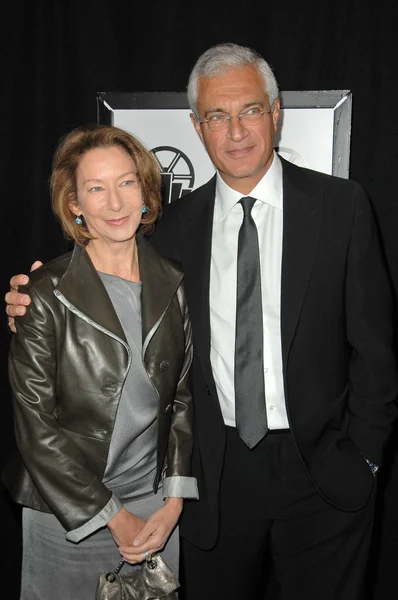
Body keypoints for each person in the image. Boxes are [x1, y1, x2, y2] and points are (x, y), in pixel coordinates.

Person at [6, 43, 398, 600]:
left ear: (276, 111)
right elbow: (95, 281)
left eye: (250, 111)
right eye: (217, 115)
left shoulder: (343, 207)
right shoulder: (168, 233)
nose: (235, 130)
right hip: (211, 481)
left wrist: (365, 457)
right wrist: (28, 297)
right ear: (196, 125)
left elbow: (377, 352)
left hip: (324, 474)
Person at [3, 123, 198, 600]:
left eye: (126, 182)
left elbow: (183, 402)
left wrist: (174, 500)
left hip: (154, 511)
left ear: (146, 191)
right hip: (68, 511)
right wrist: (112, 515)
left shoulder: (173, 282)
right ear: (75, 204)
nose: (115, 203)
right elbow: (35, 428)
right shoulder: (45, 293)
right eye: (96, 188)